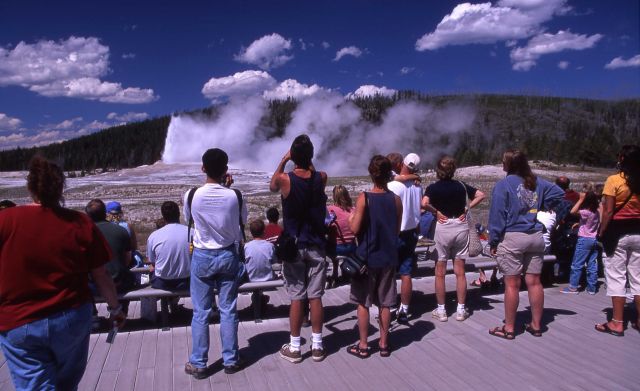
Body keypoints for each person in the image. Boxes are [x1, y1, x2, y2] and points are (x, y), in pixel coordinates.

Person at [0, 156, 125, 391]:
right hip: (71, 318)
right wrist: (115, 309)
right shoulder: (79, 222)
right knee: (67, 384)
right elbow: (101, 275)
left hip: (18, 320)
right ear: (61, 188)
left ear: (30, 188)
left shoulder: (5, 220)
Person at [183, 148, 247, 378]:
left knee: (200, 311)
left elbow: (188, 220)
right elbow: (242, 223)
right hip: (228, 255)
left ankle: (199, 364)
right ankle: (231, 360)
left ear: (202, 168)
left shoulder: (191, 195)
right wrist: (227, 190)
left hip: (202, 255)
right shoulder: (236, 196)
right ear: (226, 170)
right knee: (228, 309)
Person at [488, 149, 564, 339]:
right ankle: (536, 325)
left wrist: (494, 240)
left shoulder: (503, 185)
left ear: (508, 165)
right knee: (534, 282)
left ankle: (510, 328)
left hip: (513, 236)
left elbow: (497, 216)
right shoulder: (535, 182)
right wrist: (543, 204)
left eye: (503, 161)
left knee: (512, 284)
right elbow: (559, 193)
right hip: (535, 236)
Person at [270, 134, 328, 363]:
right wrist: (304, 157)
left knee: (297, 297)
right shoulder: (321, 177)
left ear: (293, 156)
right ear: (311, 156)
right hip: (316, 245)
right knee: (316, 297)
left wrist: (285, 159)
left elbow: (272, 185)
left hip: (294, 245)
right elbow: (312, 174)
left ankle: (295, 348)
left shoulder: (286, 179)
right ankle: (318, 346)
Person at [347, 155, 402, 358]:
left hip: (367, 258)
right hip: (388, 257)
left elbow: (354, 228)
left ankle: (363, 345)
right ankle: (384, 344)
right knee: (386, 303)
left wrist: (352, 215)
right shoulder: (396, 200)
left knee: (363, 302)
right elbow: (396, 231)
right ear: (389, 174)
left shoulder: (365, 198)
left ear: (371, 174)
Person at [422, 155, 485, 321]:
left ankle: (441, 310)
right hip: (460, 226)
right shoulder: (461, 186)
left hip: (442, 227)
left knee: (440, 273)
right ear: (453, 170)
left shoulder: (433, 187)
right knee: (460, 272)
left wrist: (436, 212)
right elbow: (481, 195)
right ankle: (461, 309)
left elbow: (424, 203)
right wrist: (467, 208)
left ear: (438, 171)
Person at [595, 145, 640, 336]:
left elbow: (609, 211)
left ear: (621, 158)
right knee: (638, 278)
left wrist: (601, 231)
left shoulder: (614, 180)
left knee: (616, 277)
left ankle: (617, 322)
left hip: (617, 234)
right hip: (639, 231)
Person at [386, 152, 422, 324]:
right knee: (406, 272)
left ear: (402, 164)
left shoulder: (394, 186)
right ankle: (405, 309)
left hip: (395, 232)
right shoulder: (418, 186)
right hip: (412, 232)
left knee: (390, 271)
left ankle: (391, 305)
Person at [86, 199, 136, 296]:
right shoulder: (123, 229)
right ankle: (121, 309)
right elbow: (128, 257)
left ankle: (94, 311)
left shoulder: (86, 233)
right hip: (119, 283)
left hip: (96, 284)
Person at [560, 192, 600, 295]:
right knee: (592, 264)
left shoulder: (585, 212)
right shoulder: (596, 212)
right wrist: (580, 223)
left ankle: (573, 287)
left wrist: (580, 199)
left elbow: (572, 211)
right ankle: (592, 288)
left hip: (584, 240)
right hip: (593, 239)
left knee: (577, 264)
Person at [146, 201, 191, 292]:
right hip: (188, 280)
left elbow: (152, 261)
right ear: (178, 214)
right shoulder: (192, 233)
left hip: (162, 281)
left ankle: (167, 304)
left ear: (163, 216)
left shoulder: (154, 236)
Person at [326, 185, 356, 288]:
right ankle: (345, 272)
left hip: (336, 248)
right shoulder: (353, 210)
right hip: (351, 248)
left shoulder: (330, 210)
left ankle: (333, 274)